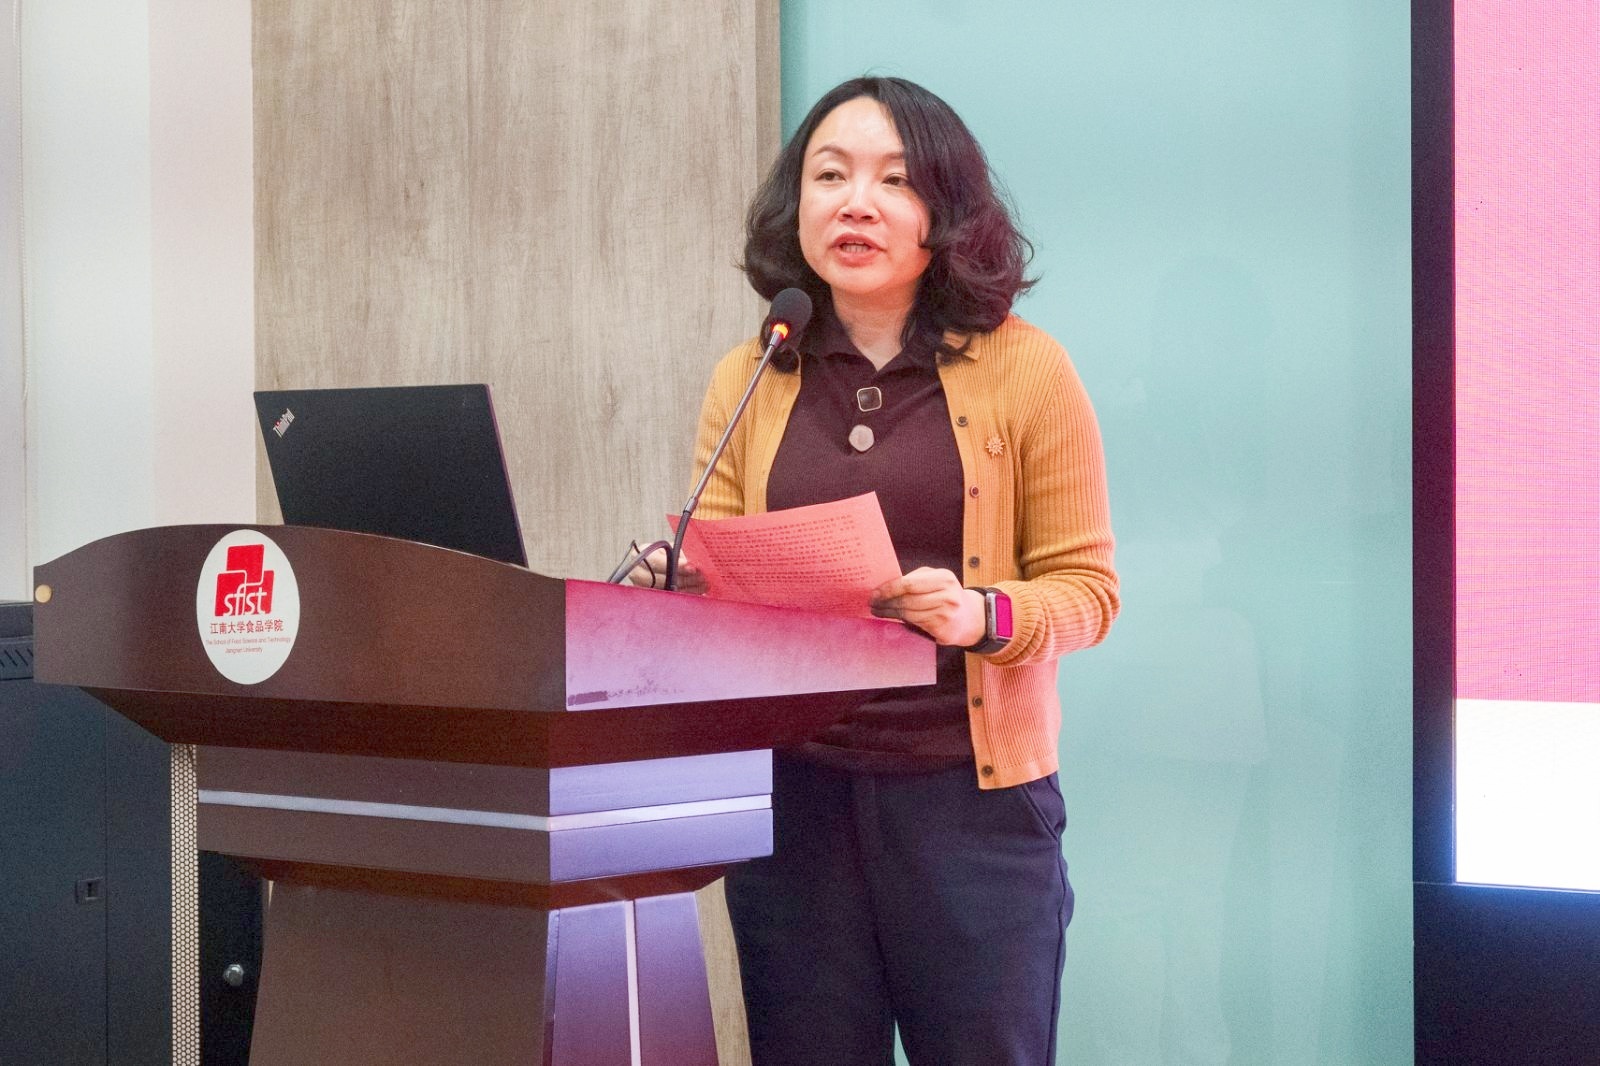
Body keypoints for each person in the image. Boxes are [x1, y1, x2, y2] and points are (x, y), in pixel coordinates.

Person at [639, 76, 1118, 1066]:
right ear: (796, 205)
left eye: (893, 181)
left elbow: (1088, 591)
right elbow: (718, 566)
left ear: (946, 213)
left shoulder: (1028, 370)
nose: (855, 203)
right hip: (794, 799)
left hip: (971, 804)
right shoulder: (751, 373)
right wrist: (681, 583)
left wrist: (980, 614)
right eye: (830, 176)